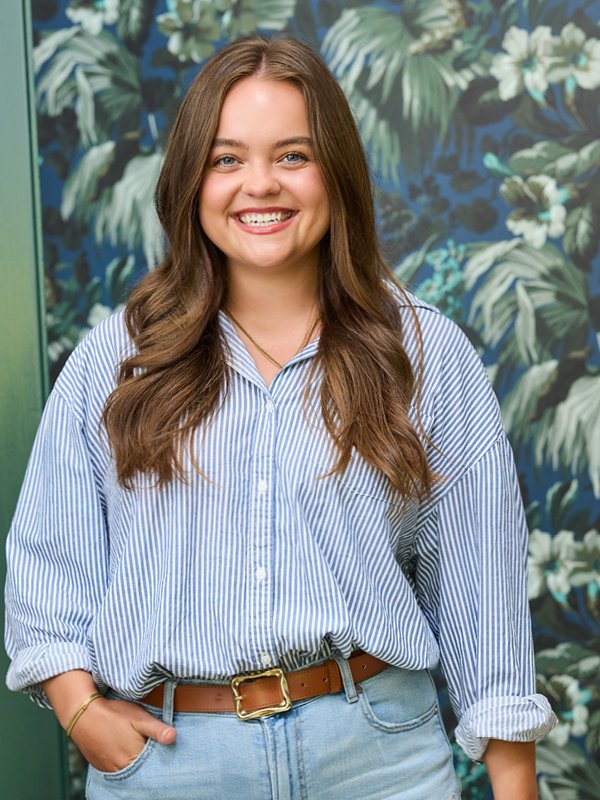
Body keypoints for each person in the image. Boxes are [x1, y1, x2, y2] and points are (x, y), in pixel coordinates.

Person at [5, 35, 555, 800]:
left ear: (336, 173)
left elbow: (480, 584)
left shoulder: (424, 353)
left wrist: (515, 781)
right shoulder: (117, 361)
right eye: (227, 159)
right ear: (192, 181)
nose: (259, 185)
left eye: (292, 155)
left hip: (380, 762)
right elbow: (47, 559)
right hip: (171, 767)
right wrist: (79, 707)